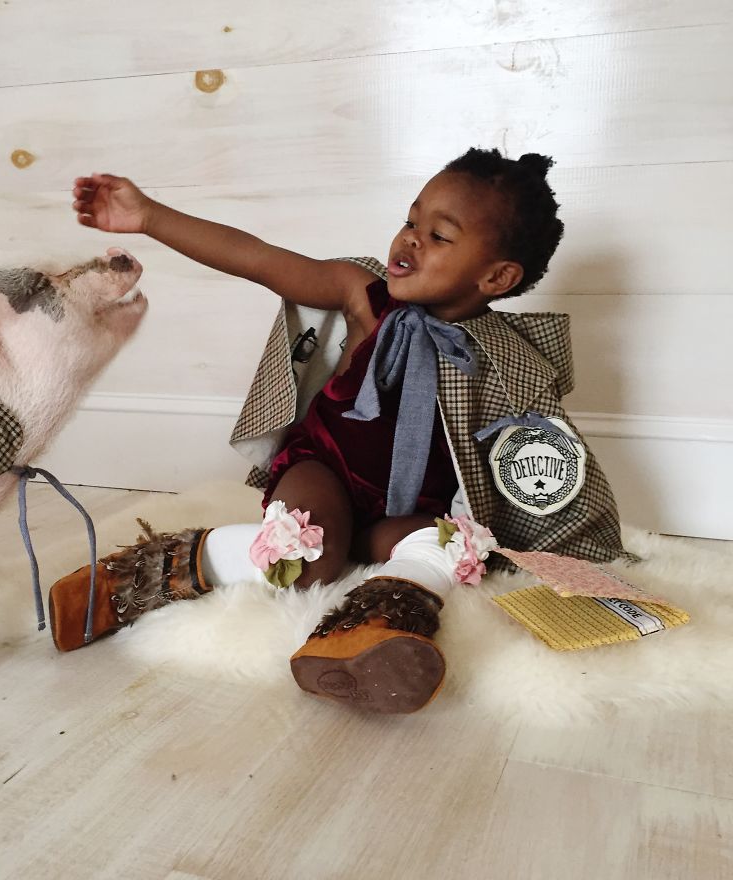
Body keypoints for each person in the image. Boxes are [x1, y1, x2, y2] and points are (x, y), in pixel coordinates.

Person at [49, 148, 636, 714]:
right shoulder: (364, 295)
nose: (410, 239)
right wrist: (148, 215)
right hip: (324, 473)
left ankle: (367, 635)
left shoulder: (506, 362)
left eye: (439, 236)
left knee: (454, 549)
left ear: (497, 276)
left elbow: (543, 464)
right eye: (411, 221)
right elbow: (255, 257)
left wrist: (580, 550)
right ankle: (149, 571)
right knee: (308, 557)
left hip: (407, 511)